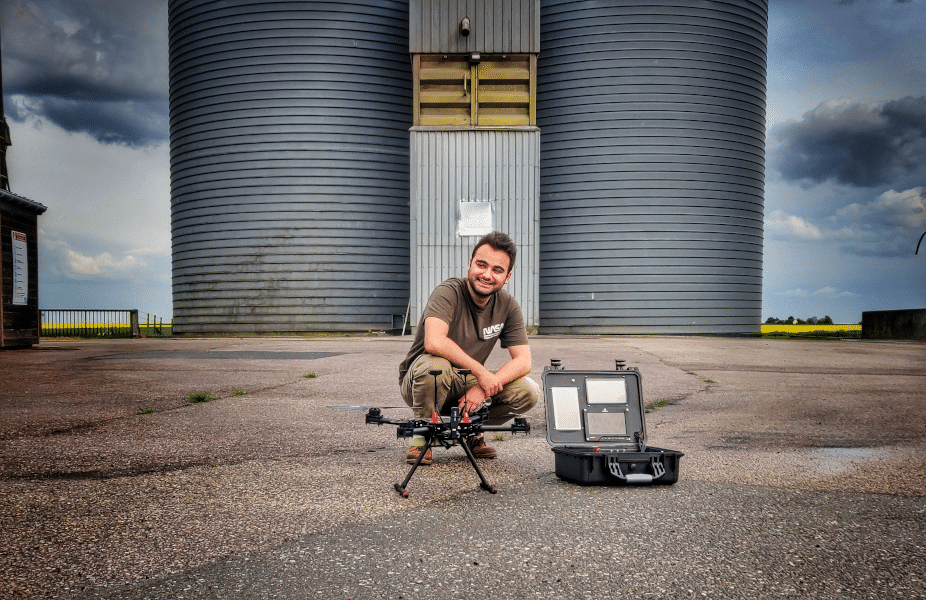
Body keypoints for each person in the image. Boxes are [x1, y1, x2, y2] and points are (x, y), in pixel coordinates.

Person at [398, 231, 539, 465]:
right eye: (481, 265)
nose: (486, 274)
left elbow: (523, 360)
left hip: (466, 382)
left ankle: (472, 430)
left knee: (528, 390)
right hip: (422, 380)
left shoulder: (507, 305)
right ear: (469, 264)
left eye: (497, 270)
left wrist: (483, 389)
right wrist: (482, 373)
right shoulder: (448, 291)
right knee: (435, 365)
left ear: (507, 276)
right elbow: (434, 341)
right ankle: (423, 435)